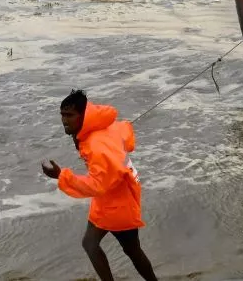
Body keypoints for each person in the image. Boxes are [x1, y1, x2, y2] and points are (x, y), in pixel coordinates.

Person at [42, 90, 158, 281]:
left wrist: (60, 176)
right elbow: (125, 133)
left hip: (118, 200)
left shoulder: (96, 145)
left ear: (82, 115)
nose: (64, 120)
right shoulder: (98, 126)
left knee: (102, 245)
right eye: (62, 114)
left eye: (69, 115)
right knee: (123, 248)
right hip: (113, 193)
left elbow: (97, 186)